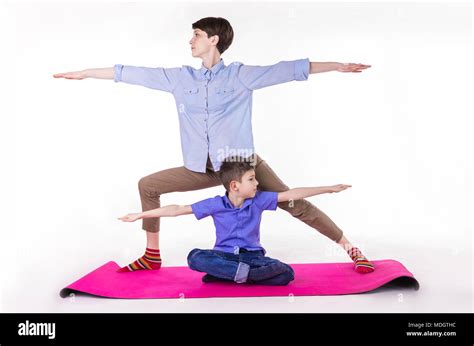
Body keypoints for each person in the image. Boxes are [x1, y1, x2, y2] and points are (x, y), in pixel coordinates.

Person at [53, 17, 373, 273]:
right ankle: (152, 255)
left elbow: (288, 70)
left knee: (294, 203)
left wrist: (336, 66)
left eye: (196, 35)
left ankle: (351, 249)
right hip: (201, 168)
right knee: (148, 186)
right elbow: (132, 74)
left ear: (213, 40)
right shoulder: (181, 79)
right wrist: (86, 74)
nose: (190, 41)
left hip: (242, 167)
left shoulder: (240, 76)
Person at [118, 156, 362, 285]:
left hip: (253, 257)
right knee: (195, 257)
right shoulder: (215, 203)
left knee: (285, 272)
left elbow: (292, 194)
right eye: (252, 180)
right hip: (223, 256)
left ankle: (233, 275)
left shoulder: (259, 200)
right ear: (235, 185)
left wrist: (328, 188)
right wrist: (141, 214)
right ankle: (244, 275)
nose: (258, 184)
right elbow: (177, 209)